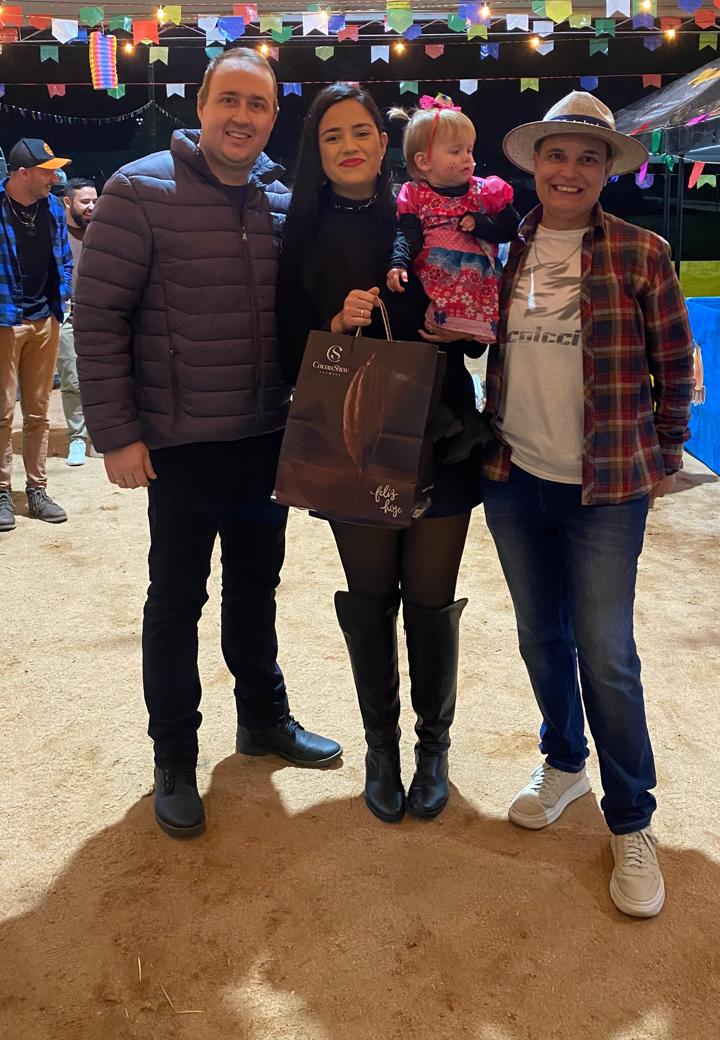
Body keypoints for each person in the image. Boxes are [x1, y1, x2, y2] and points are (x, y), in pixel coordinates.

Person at [74, 48, 341, 840]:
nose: (242, 117)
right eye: (230, 100)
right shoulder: (138, 189)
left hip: (264, 437)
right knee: (176, 600)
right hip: (181, 443)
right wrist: (118, 434)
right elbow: (98, 319)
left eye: (258, 105)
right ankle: (174, 756)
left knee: (256, 589)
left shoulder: (281, 199)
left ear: (273, 118)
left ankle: (262, 717)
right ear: (201, 104)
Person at [481, 91, 694, 918]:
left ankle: (631, 818)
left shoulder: (643, 252)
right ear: (535, 164)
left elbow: (674, 360)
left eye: (587, 157)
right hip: (514, 476)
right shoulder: (505, 249)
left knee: (607, 654)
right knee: (542, 637)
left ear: (607, 170)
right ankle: (565, 762)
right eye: (556, 155)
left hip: (606, 486)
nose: (569, 170)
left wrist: (665, 455)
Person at [277, 83, 483, 825]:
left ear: (384, 140)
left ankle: (433, 748)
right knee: (370, 598)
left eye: (360, 131)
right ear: (316, 149)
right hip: (355, 431)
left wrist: (459, 326)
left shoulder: (423, 207)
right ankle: (382, 748)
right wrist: (337, 323)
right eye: (332, 135)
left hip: (443, 428)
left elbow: (479, 300)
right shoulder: (301, 226)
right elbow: (286, 349)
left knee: (430, 597)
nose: (349, 146)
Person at [386, 94, 518, 462]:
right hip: (434, 285)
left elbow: (511, 226)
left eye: (470, 150)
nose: (468, 159)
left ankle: (460, 422)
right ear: (423, 162)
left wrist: (483, 224)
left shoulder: (483, 191)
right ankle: (455, 423)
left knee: (451, 354)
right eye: (457, 151)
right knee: (433, 355)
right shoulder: (414, 194)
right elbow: (407, 235)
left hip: (473, 286)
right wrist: (398, 263)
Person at [0, 138, 72, 531]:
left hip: (46, 319)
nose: (55, 178)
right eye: (47, 171)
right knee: (2, 413)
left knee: (39, 412)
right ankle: (1, 492)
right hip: (5, 319)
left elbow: (64, 257)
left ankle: (37, 489)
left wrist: (64, 294)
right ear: (22, 173)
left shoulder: (54, 209)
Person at [57, 178, 97, 467]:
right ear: (68, 202)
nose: (92, 206)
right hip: (68, 315)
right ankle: (78, 438)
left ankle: (101, 437)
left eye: (95, 200)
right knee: (72, 381)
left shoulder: (104, 231)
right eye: (85, 202)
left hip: (101, 316)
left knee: (105, 379)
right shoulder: (55, 232)